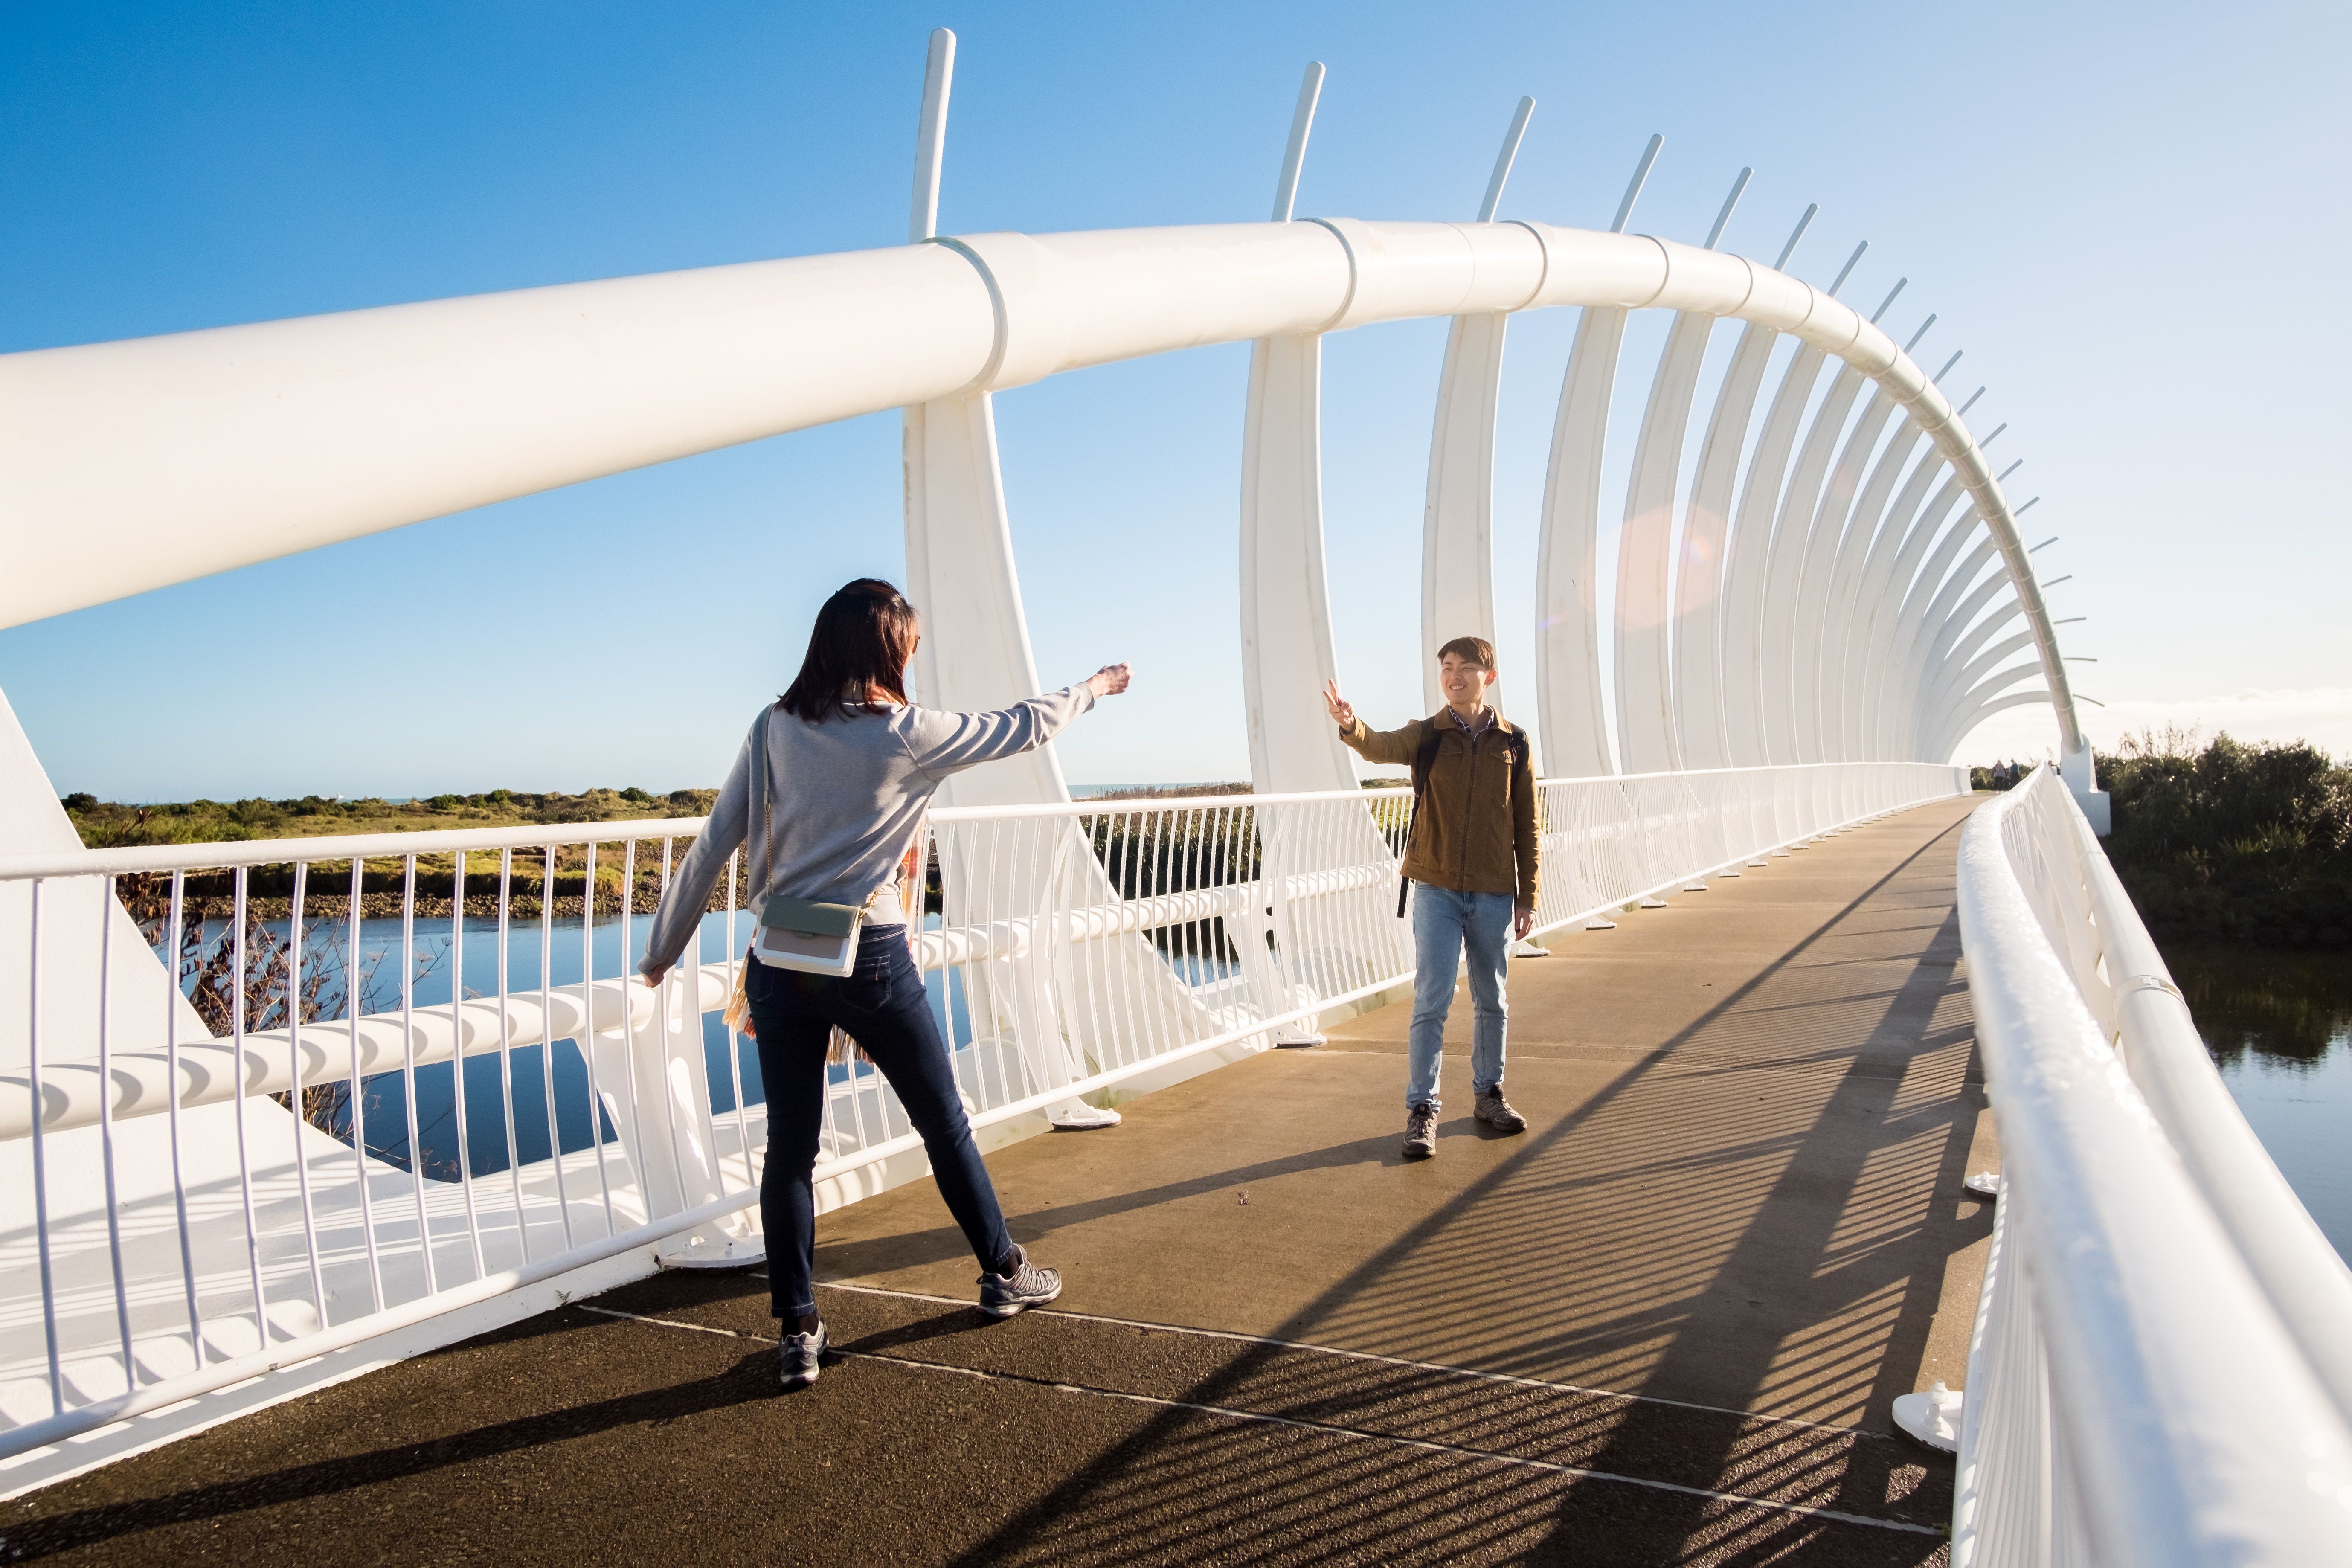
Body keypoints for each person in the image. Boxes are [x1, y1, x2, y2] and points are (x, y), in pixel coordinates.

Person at [638, 578, 1131, 1389]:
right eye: (907, 644)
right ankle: (1003, 1273)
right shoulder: (904, 733)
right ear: (886, 650)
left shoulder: (770, 729)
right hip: (867, 955)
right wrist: (1095, 689)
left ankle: (798, 1331)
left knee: (788, 1152)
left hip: (777, 960)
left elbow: (711, 845)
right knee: (943, 1122)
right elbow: (1022, 726)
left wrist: (660, 954)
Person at [1321, 636, 1537, 1160]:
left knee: (1493, 1000)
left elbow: (1525, 823)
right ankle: (1423, 1109)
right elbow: (1382, 746)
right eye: (1446, 667)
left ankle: (1489, 1095)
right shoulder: (1429, 734)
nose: (1454, 675)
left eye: (1465, 667)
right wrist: (1352, 725)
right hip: (1436, 888)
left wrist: (1527, 894)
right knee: (1431, 1001)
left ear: (1490, 675)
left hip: (1492, 891)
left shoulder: (1514, 742)